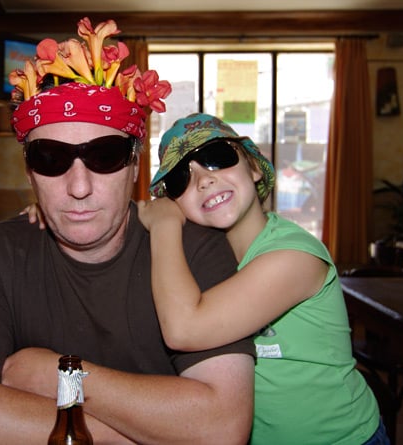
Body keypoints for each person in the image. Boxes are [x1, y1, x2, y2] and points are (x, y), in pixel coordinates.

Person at [0, 19, 255, 444]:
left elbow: (221, 427)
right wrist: (145, 433)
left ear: (134, 167)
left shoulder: (195, 247)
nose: (79, 187)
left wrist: (57, 376)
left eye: (104, 155)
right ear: (30, 172)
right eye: (50, 158)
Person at [136, 113, 389, 444]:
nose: (203, 181)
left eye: (217, 158)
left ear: (254, 168)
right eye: (182, 177)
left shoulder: (294, 256)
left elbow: (184, 329)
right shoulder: (200, 264)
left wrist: (165, 225)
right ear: (176, 203)